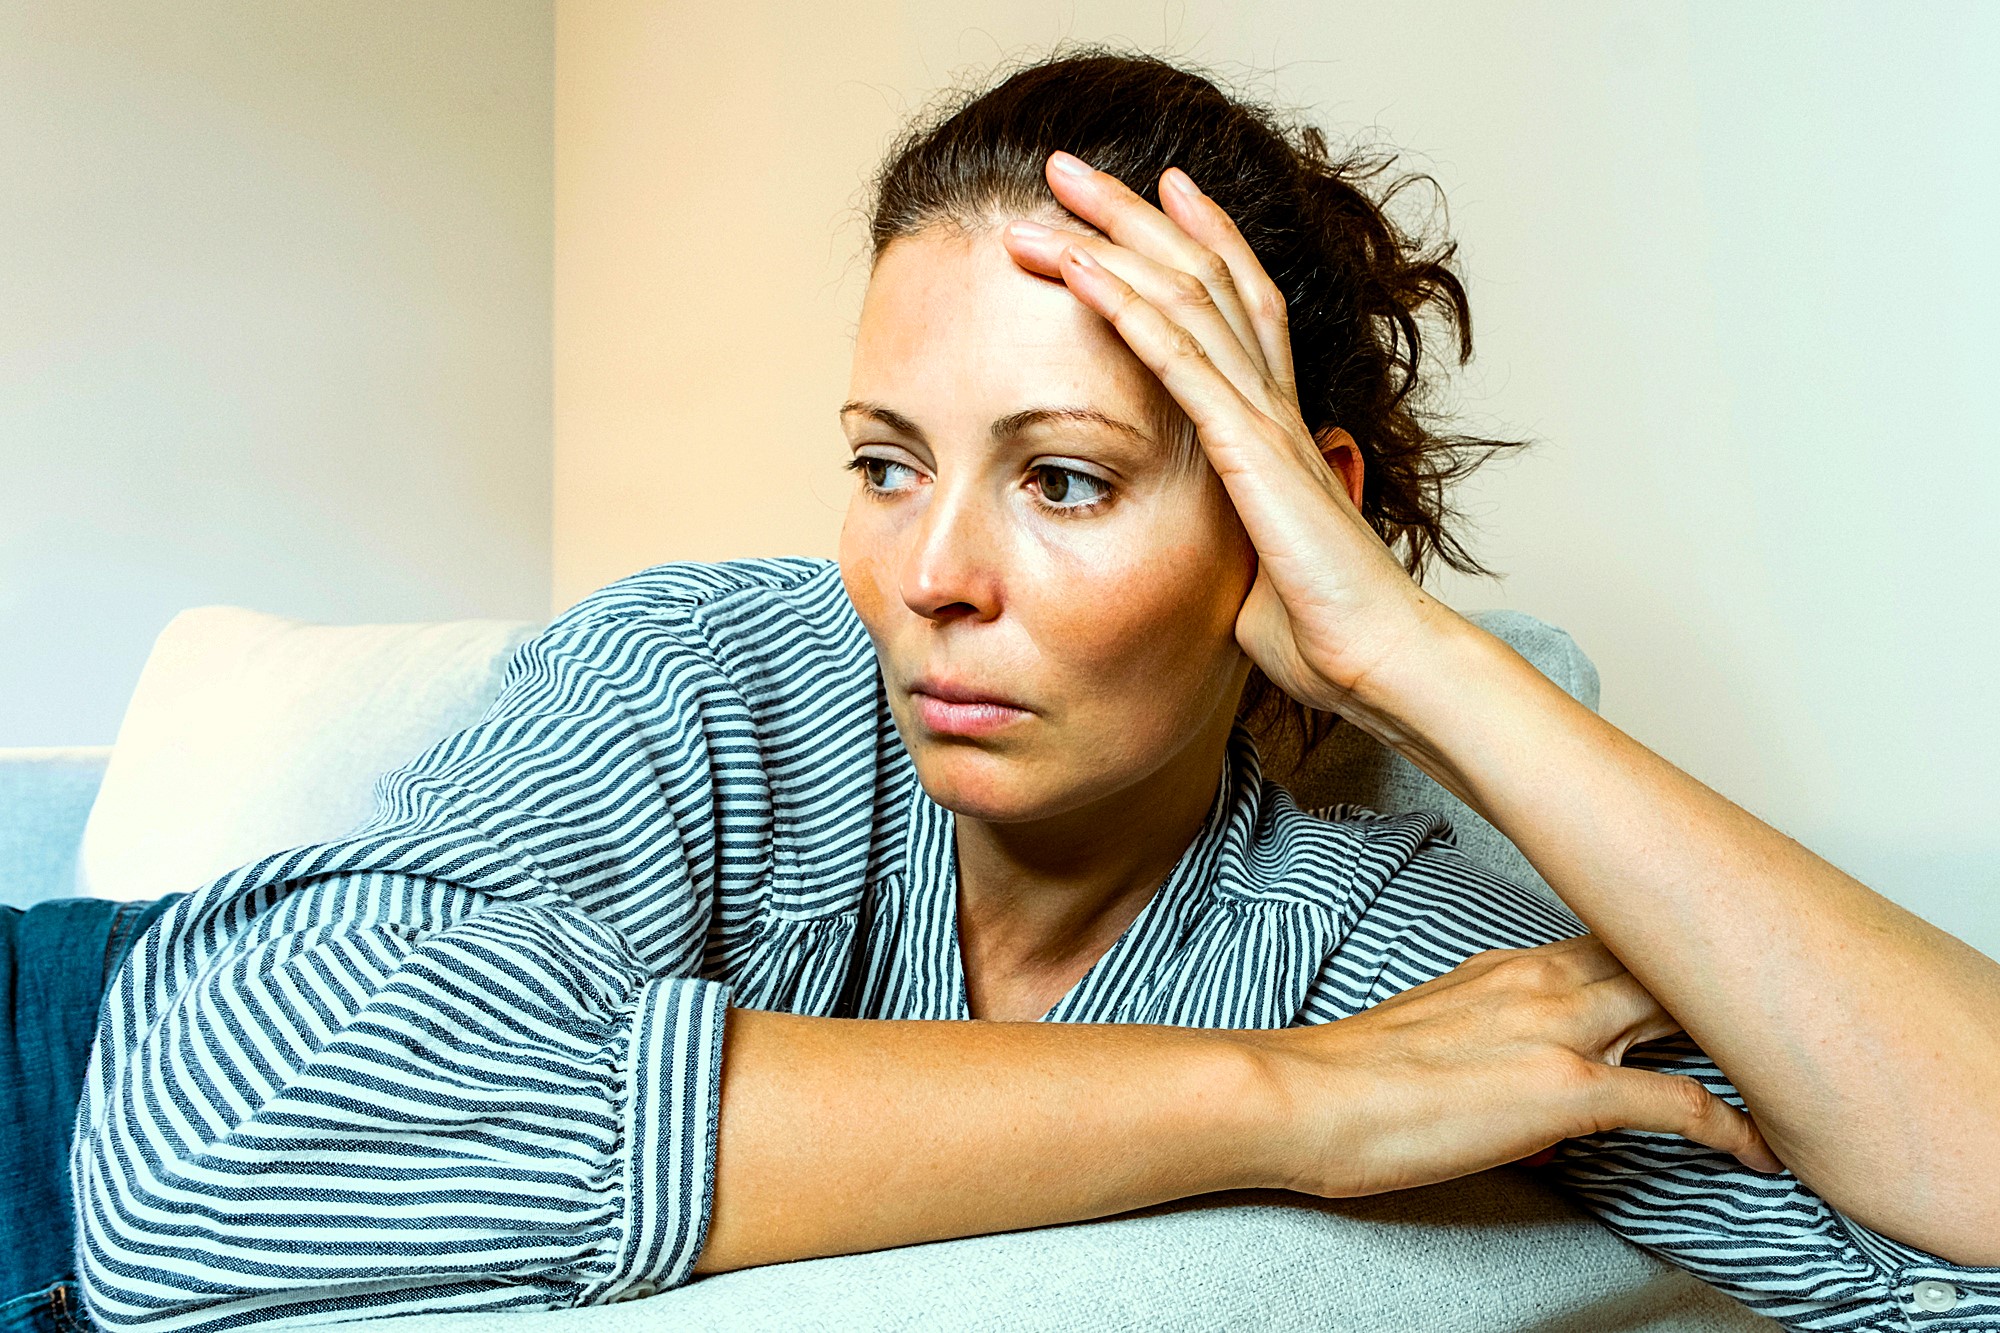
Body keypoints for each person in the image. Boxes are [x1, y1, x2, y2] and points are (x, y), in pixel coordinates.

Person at [39, 51, 1998, 1333]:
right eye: (887, 460)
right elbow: (210, 1133)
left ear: (1281, 516)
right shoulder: (718, 673)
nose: (929, 574)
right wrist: (1273, 1104)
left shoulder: (1366, 932)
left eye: (1063, 478)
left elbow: (1954, 1232)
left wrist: (1416, 657)